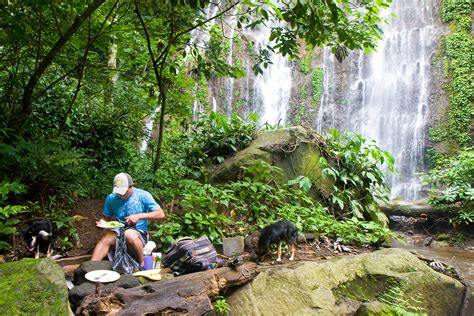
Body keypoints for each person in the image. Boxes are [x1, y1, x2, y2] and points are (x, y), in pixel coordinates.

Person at [91, 172, 165, 266]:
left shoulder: (143, 195)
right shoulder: (111, 198)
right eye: (119, 192)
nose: (122, 195)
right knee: (107, 237)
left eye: (124, 192)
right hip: (118, 232)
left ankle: (143, 263)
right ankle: (91, 266)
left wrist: (138, 216)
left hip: (139, 233)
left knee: (128, 234)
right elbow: (105, 217)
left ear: (131, 186)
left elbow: (160, 214)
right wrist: (102, 223)